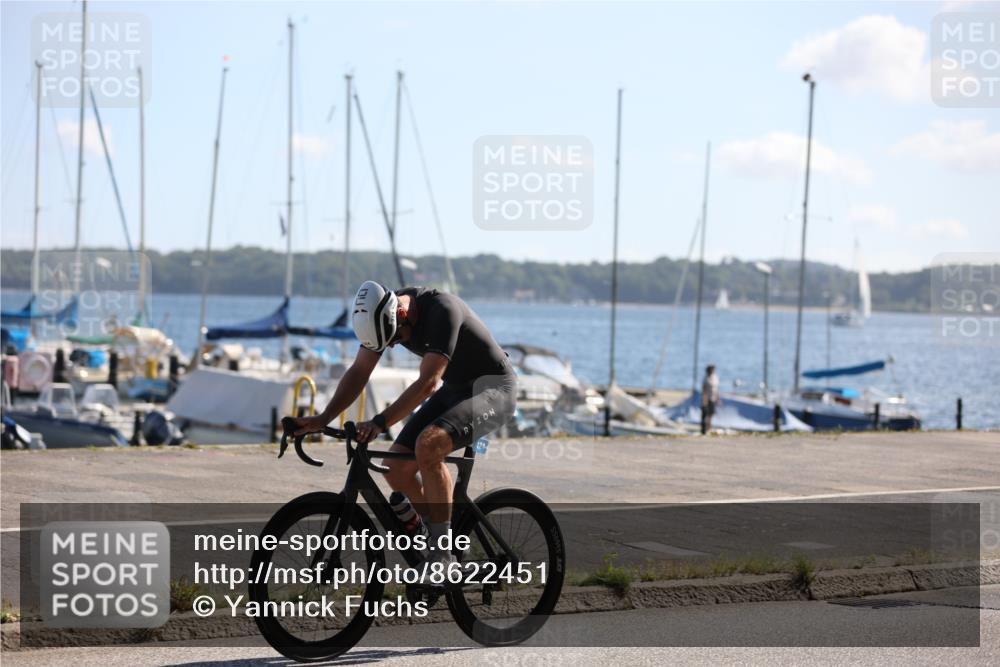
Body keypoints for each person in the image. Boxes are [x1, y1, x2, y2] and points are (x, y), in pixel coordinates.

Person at [291, 281, 517, 567]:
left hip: (493, 389)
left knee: (429, 445)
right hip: (455, 389)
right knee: (396, 467)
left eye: (397, 338)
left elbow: (428, 383)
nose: (396, 344)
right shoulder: (382, 319)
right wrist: (323, 419)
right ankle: (434, 531)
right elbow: (360, 371)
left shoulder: (442, 310)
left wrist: (380, 422)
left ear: (401, 313)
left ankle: (443, 555)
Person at [701, 364, 720, 434]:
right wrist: (704, 400)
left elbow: (717, 388)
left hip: (713, 398)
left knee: (711, 414)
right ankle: (705, 428)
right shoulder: (706, 378)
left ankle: (709, 427)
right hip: (707, 398)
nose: (713, 371)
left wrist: (718, 398)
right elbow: (704, 390)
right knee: (706, 414)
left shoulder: (715, 377)